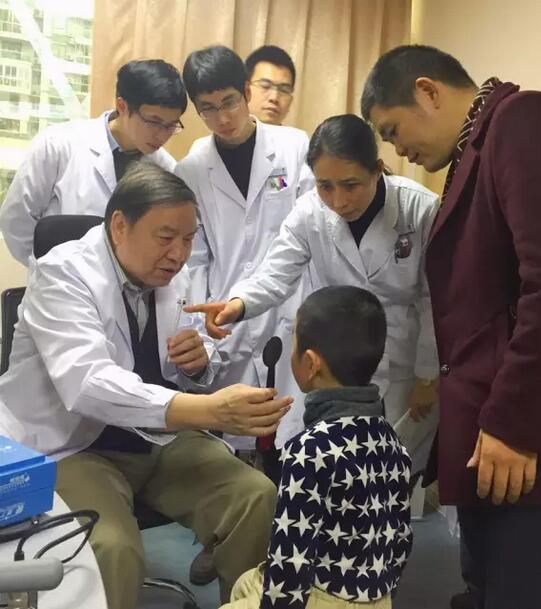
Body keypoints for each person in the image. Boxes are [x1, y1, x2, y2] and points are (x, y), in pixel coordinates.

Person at [361, 44, 541, 609]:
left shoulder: (529, 123)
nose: (398, 150)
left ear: (427, 91)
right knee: (487, 592)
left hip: (531, 449)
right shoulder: (477, 149)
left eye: (393, 130)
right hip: (495, 446)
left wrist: (517, 425)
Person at [0, 163, 292, 609]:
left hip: (153, 437)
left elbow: (184, 358)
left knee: (256, 497)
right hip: (74, 445)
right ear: (119, 226)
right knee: (112, 548)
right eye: (166, 237)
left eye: (189, 239)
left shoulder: (173, 276)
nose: (179, 254)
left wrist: (198, 362)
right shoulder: (62, 273)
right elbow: (87, 382)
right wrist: (210, 410)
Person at [186, 114, 439, 476]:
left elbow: (434, 300)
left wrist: (428, 376)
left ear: (377, 170)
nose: (338, 200)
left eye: (350, 185)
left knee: (398, 472)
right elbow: (275, 273)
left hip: (406, 364)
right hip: (338, 365)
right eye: (325, 186)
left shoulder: (420, 209)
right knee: (338, 471)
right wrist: (238, 305)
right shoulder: (309, 212)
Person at [220, 286, 413, 609]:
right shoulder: (391, 440)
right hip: (379, 596)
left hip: (320, 596)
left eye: (293, 342)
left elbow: (290, 561)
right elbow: (402, 540)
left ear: (310, 364)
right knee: (246, 583)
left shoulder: (308, 449)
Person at [176, 45, 314, 456]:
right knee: (233, 445)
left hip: (291, 309)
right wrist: (200, 332)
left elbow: (311, 233)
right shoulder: (190, 170)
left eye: (230, 102)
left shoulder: (294, 148)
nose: (222, 117)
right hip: (225, 318)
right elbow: (194, 261)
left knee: (295, 441)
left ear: (247, 92)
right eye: (208, 108)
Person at [0, 59, 186, 266]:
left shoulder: (167, 169)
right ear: (122, 106)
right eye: (153, 122)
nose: (162, 135)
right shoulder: (58, 145)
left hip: (132, 283)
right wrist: (47, 271)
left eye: (171, 125)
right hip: (59, 279)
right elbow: (16, 222)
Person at [245, 45, 296, 125]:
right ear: (245, 90)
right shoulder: (225, 130)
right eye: (265, 86)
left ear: (290, 101)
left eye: (284, 90)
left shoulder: (296, 134)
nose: (274, 98)